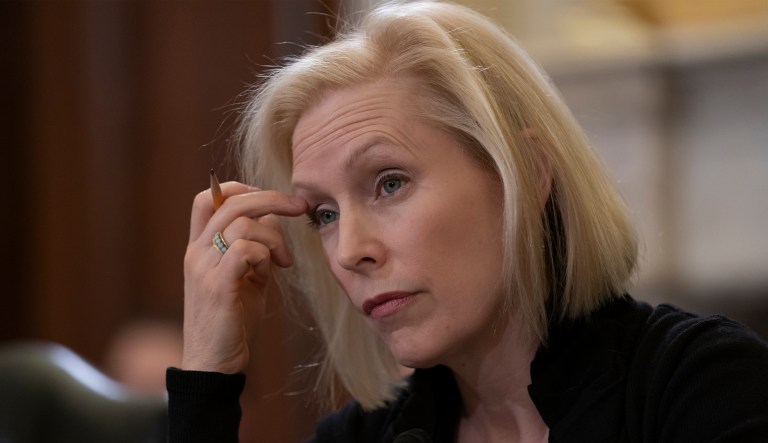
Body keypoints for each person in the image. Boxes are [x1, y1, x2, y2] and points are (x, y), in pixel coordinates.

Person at [166, 1, 768, 442]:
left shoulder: (702, 388)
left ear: (526, 174)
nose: (349, 250)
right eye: (324, 213)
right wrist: (206, 378)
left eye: (390, 182)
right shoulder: (364, 439)